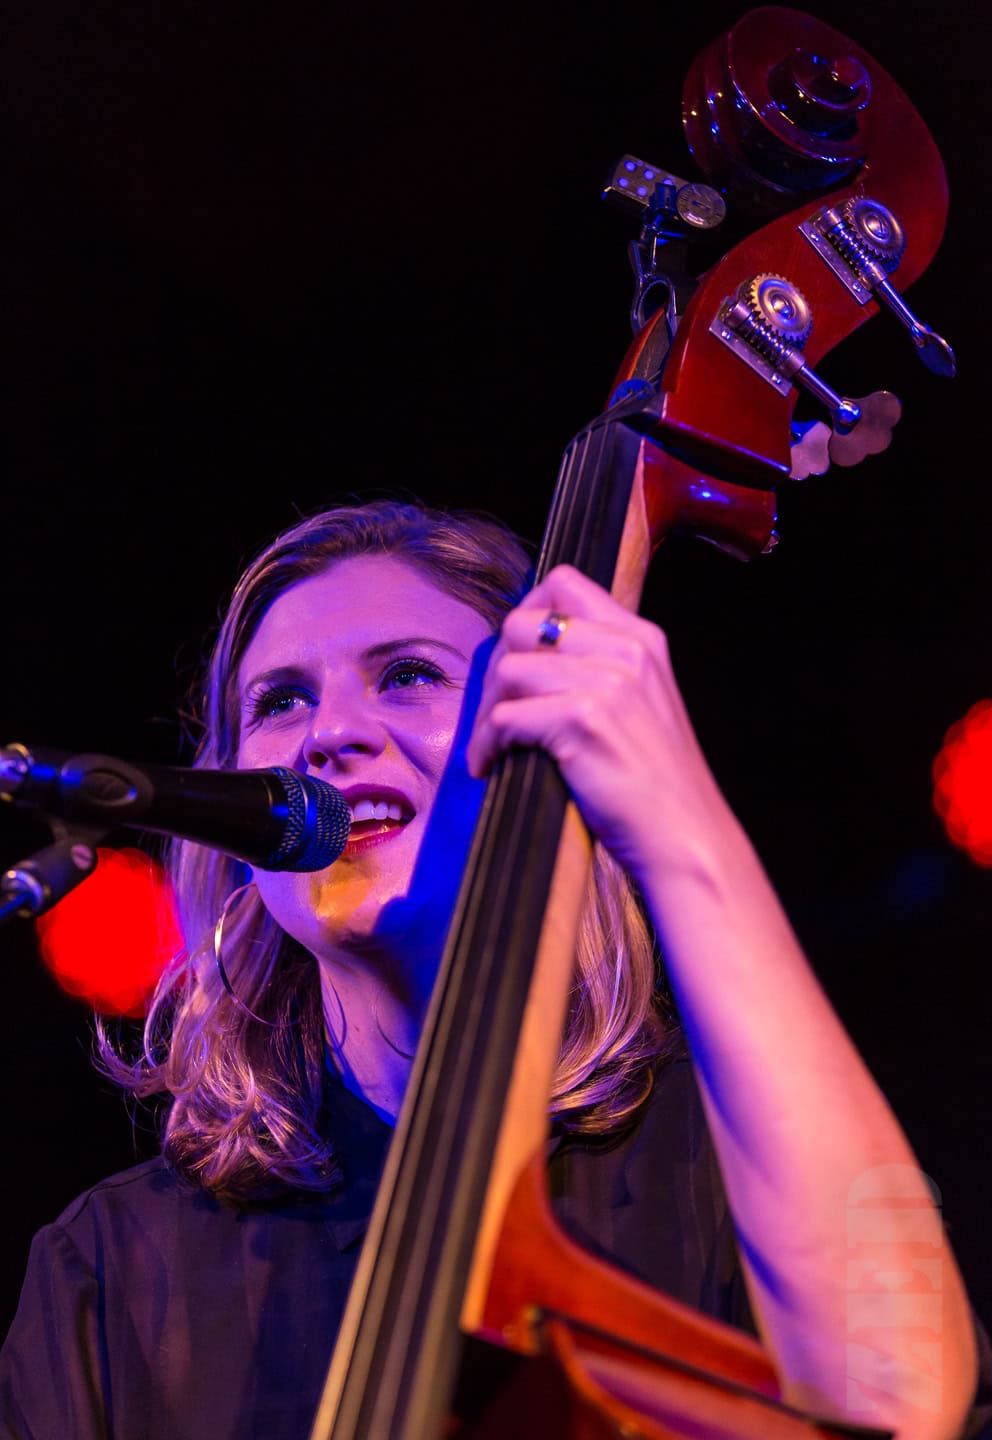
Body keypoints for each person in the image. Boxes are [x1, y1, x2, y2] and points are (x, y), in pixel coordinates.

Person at [0, 499, 984, 1440]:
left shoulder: (742, 1156)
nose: (329, 733)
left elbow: (894, 1405)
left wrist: (673, 814)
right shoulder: (108, 1272)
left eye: (407, 676)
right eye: (281, 700)